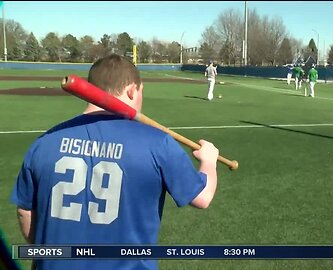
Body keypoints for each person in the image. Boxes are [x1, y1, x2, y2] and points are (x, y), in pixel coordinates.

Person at [10, 54, 219, 270]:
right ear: (131, 90)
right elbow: (201, 197)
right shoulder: (158, 143)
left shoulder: (45, 142)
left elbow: (25, 211)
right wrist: (209, 161)